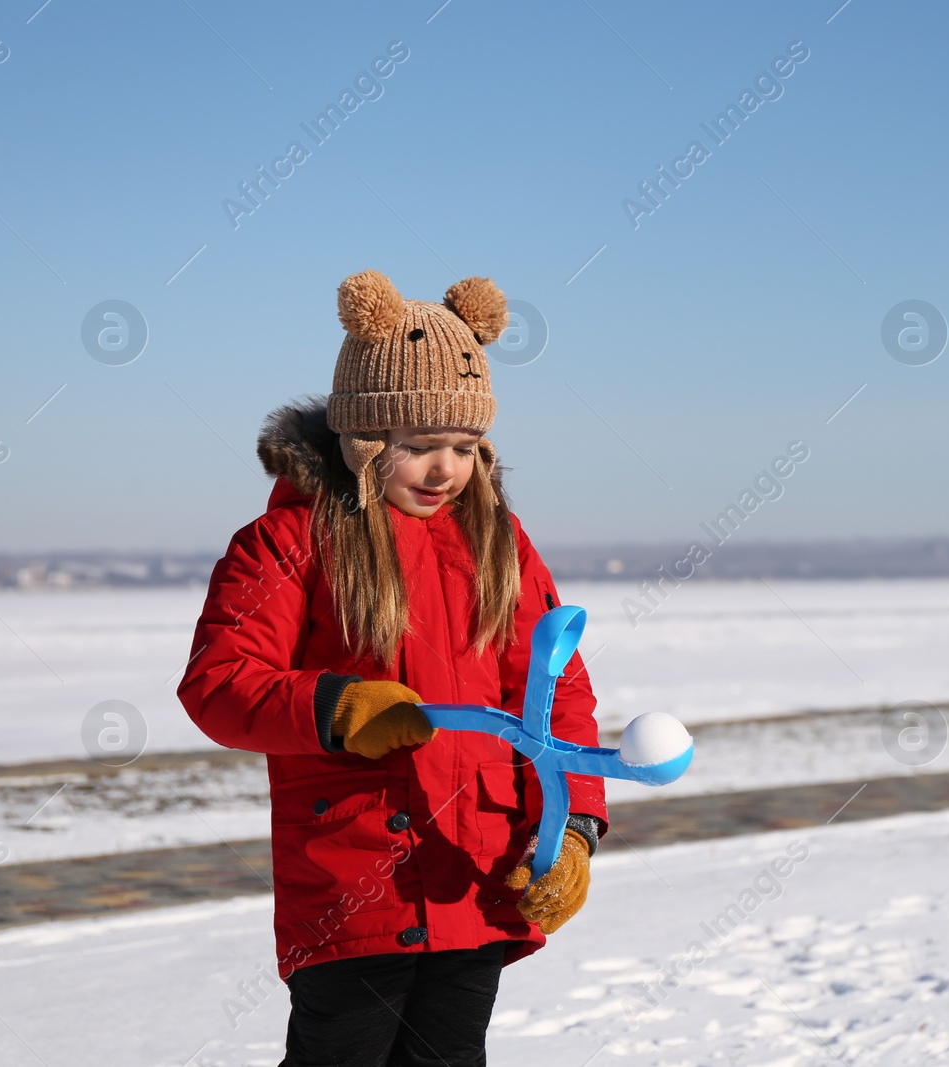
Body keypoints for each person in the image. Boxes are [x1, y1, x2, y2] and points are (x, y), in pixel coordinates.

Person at [177, 268, 606, 1066]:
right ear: (363, 438)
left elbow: (559, 699)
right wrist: (336, 707)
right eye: (419, 447)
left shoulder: (499, 548)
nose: (445, 470)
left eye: (465, 447)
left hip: (475, 874)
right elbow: (218, 681)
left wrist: (571, 829)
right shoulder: (287, 544)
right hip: (353, 884)